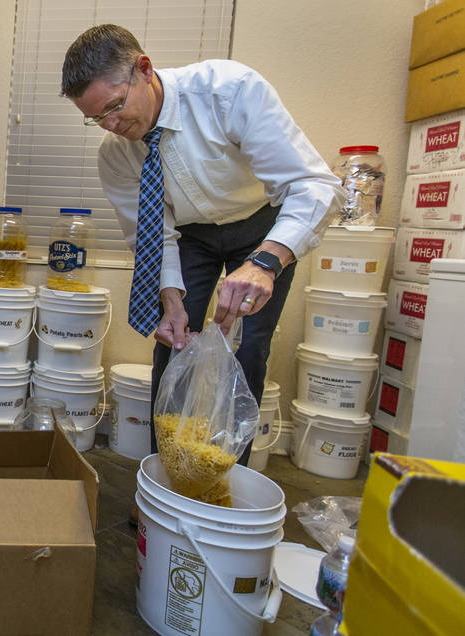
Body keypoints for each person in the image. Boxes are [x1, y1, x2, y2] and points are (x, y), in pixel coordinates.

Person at [61, 24, 345, 465]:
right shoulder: (115, 154)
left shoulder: (229, 91)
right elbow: (152, 232)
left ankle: (228, 477)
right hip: (189, 236)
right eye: (97, 117)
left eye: (115, 107)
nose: (112, 125)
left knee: (248, 346)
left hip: (260, 226)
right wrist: (169, 297)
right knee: (172, 342)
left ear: (144, 69)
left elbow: (313, 186)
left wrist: (265, 264)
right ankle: (169, 476)